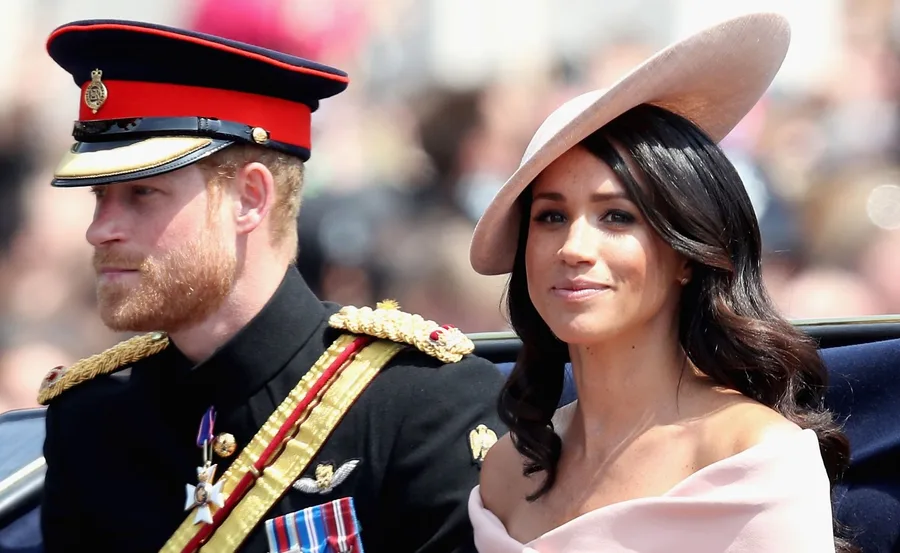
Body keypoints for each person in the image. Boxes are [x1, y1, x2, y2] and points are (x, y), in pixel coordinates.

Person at [36, 19, 505, 553]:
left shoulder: (421, 404)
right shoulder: (91, 420)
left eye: (142, 194)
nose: (100, 230)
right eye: (100, 196)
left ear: (250, 199)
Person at [466, 13, 853, 553]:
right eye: (551, 217)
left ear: (686, 254)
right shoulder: (506, 471)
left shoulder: (754, 457)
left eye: (617, 217)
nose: (573, 248)